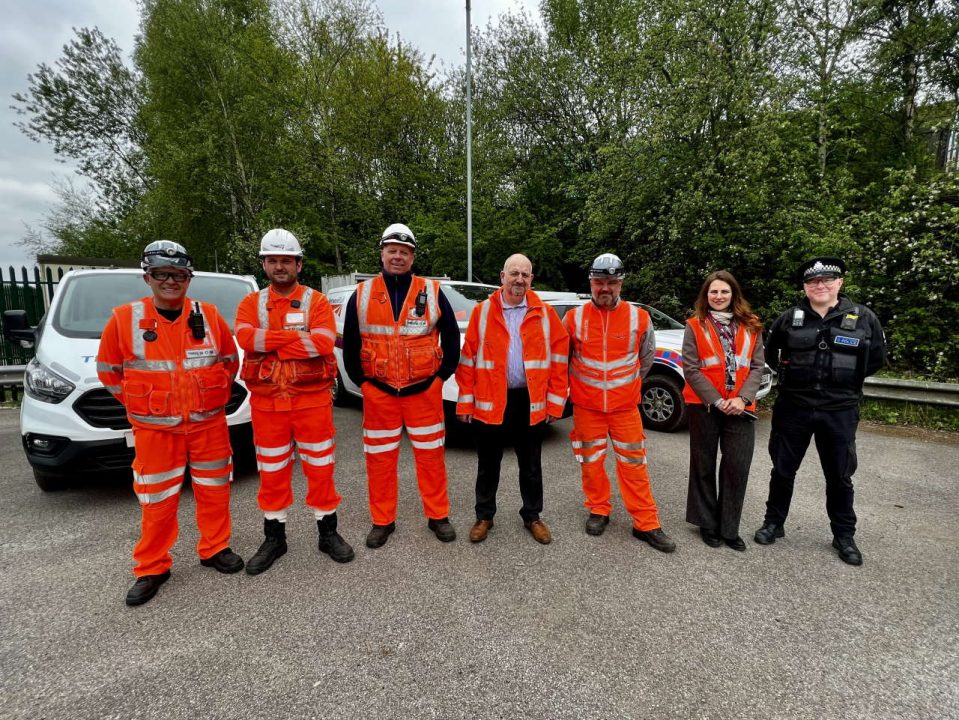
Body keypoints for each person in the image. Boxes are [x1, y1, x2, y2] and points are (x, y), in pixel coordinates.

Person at [97, 241, 243, 606]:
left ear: (188, 278)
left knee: (215, 489)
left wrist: (208, 397)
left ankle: (215, 548)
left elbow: (228, 363)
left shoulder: (208, 316)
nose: (170, 281)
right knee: (157, 499)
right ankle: (152, 566)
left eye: (178, 275)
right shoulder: (124, 319)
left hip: (208, 424)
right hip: (155, 429)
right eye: (162, 274)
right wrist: (143, 402)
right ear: (147, 277)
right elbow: (108, 371)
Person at [235, 229, 353, 575]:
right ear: (264, 264)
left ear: (299, 265)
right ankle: (275, 537)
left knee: (321, 468)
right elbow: (245, 338)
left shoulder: (316, 301)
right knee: (271, 471)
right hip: (268, 402)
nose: (280, 266)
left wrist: (269, 340)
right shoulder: (251, 303)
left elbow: (321, 343)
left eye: (286, 260)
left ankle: (327, 533)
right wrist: (293, 337)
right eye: (273, 260)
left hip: (311, 400)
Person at [755, 257, 885, 566]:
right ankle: (774, 523)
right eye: (813, 281)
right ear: (805, 287)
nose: (820, 285)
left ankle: (843, 535)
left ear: (840, 283)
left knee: (839, 475)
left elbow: (874, 360)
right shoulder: (789, 319)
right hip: (793, 408)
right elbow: (772, 355)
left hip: (839, 410)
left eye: (827, 280)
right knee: (783, 470)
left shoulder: (864, 318)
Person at [342, 223, 460, 548]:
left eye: (404, 252)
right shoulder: (362, 295)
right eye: (392, 250)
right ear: (381, 254)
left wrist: (440, 379)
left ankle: (438, 516)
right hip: (379, 394)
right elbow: (350, 343)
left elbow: (451, 336)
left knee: (432, 458)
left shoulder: (432, 291)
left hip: (424, 392)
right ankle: (383, 521)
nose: (397, 257)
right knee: (379, 461)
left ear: (412, 257)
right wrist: (362, 384)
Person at [564, 253, 676, 553]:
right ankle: (599, 509)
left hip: (625, 409)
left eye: (612, 283)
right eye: (599, 282)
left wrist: (625, 387)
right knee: (590, 462)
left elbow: (646, 358)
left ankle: (646, 523)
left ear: (621, 283)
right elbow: (565, 358)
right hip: (587, 408)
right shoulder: (573, 318)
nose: (605, 288)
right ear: (590, 282)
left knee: (634, 465)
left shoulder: (639, 317)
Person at [456, 254, 569, 545]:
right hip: (491, 400)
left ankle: (532, 515)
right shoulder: (482, 312)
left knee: (531, 464)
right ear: (502, 276)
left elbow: (558, 361)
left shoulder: (545, 314)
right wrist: (465, 403)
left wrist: (555, 404)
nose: (520, 279)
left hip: (529, 401)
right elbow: (467, 361)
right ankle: (484, 516)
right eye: (514, 273)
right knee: (488, 463)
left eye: (525, 274)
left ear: (532, 279)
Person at [682, 270, 765, 551]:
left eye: (724, 292)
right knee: (703, 464)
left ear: (734, 295)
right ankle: (707, 524)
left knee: (736, 467)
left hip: (741, 408)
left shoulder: (752, 325)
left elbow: (756, 366)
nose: (719, 296)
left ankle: (729, 528)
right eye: (713, 292)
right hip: (705, 406)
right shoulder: (695, 326)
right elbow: (691, 369)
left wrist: (742, 399)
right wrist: (718, 400)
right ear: (706, 296)